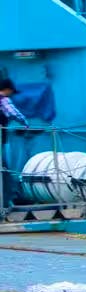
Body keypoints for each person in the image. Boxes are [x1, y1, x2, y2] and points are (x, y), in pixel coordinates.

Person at [0, 78, 28, 207]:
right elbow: (13, 113)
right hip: (1, 140)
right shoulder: (3, 99)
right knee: (4, 169)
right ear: (8, 90)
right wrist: (25, 123)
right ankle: (6, 201)